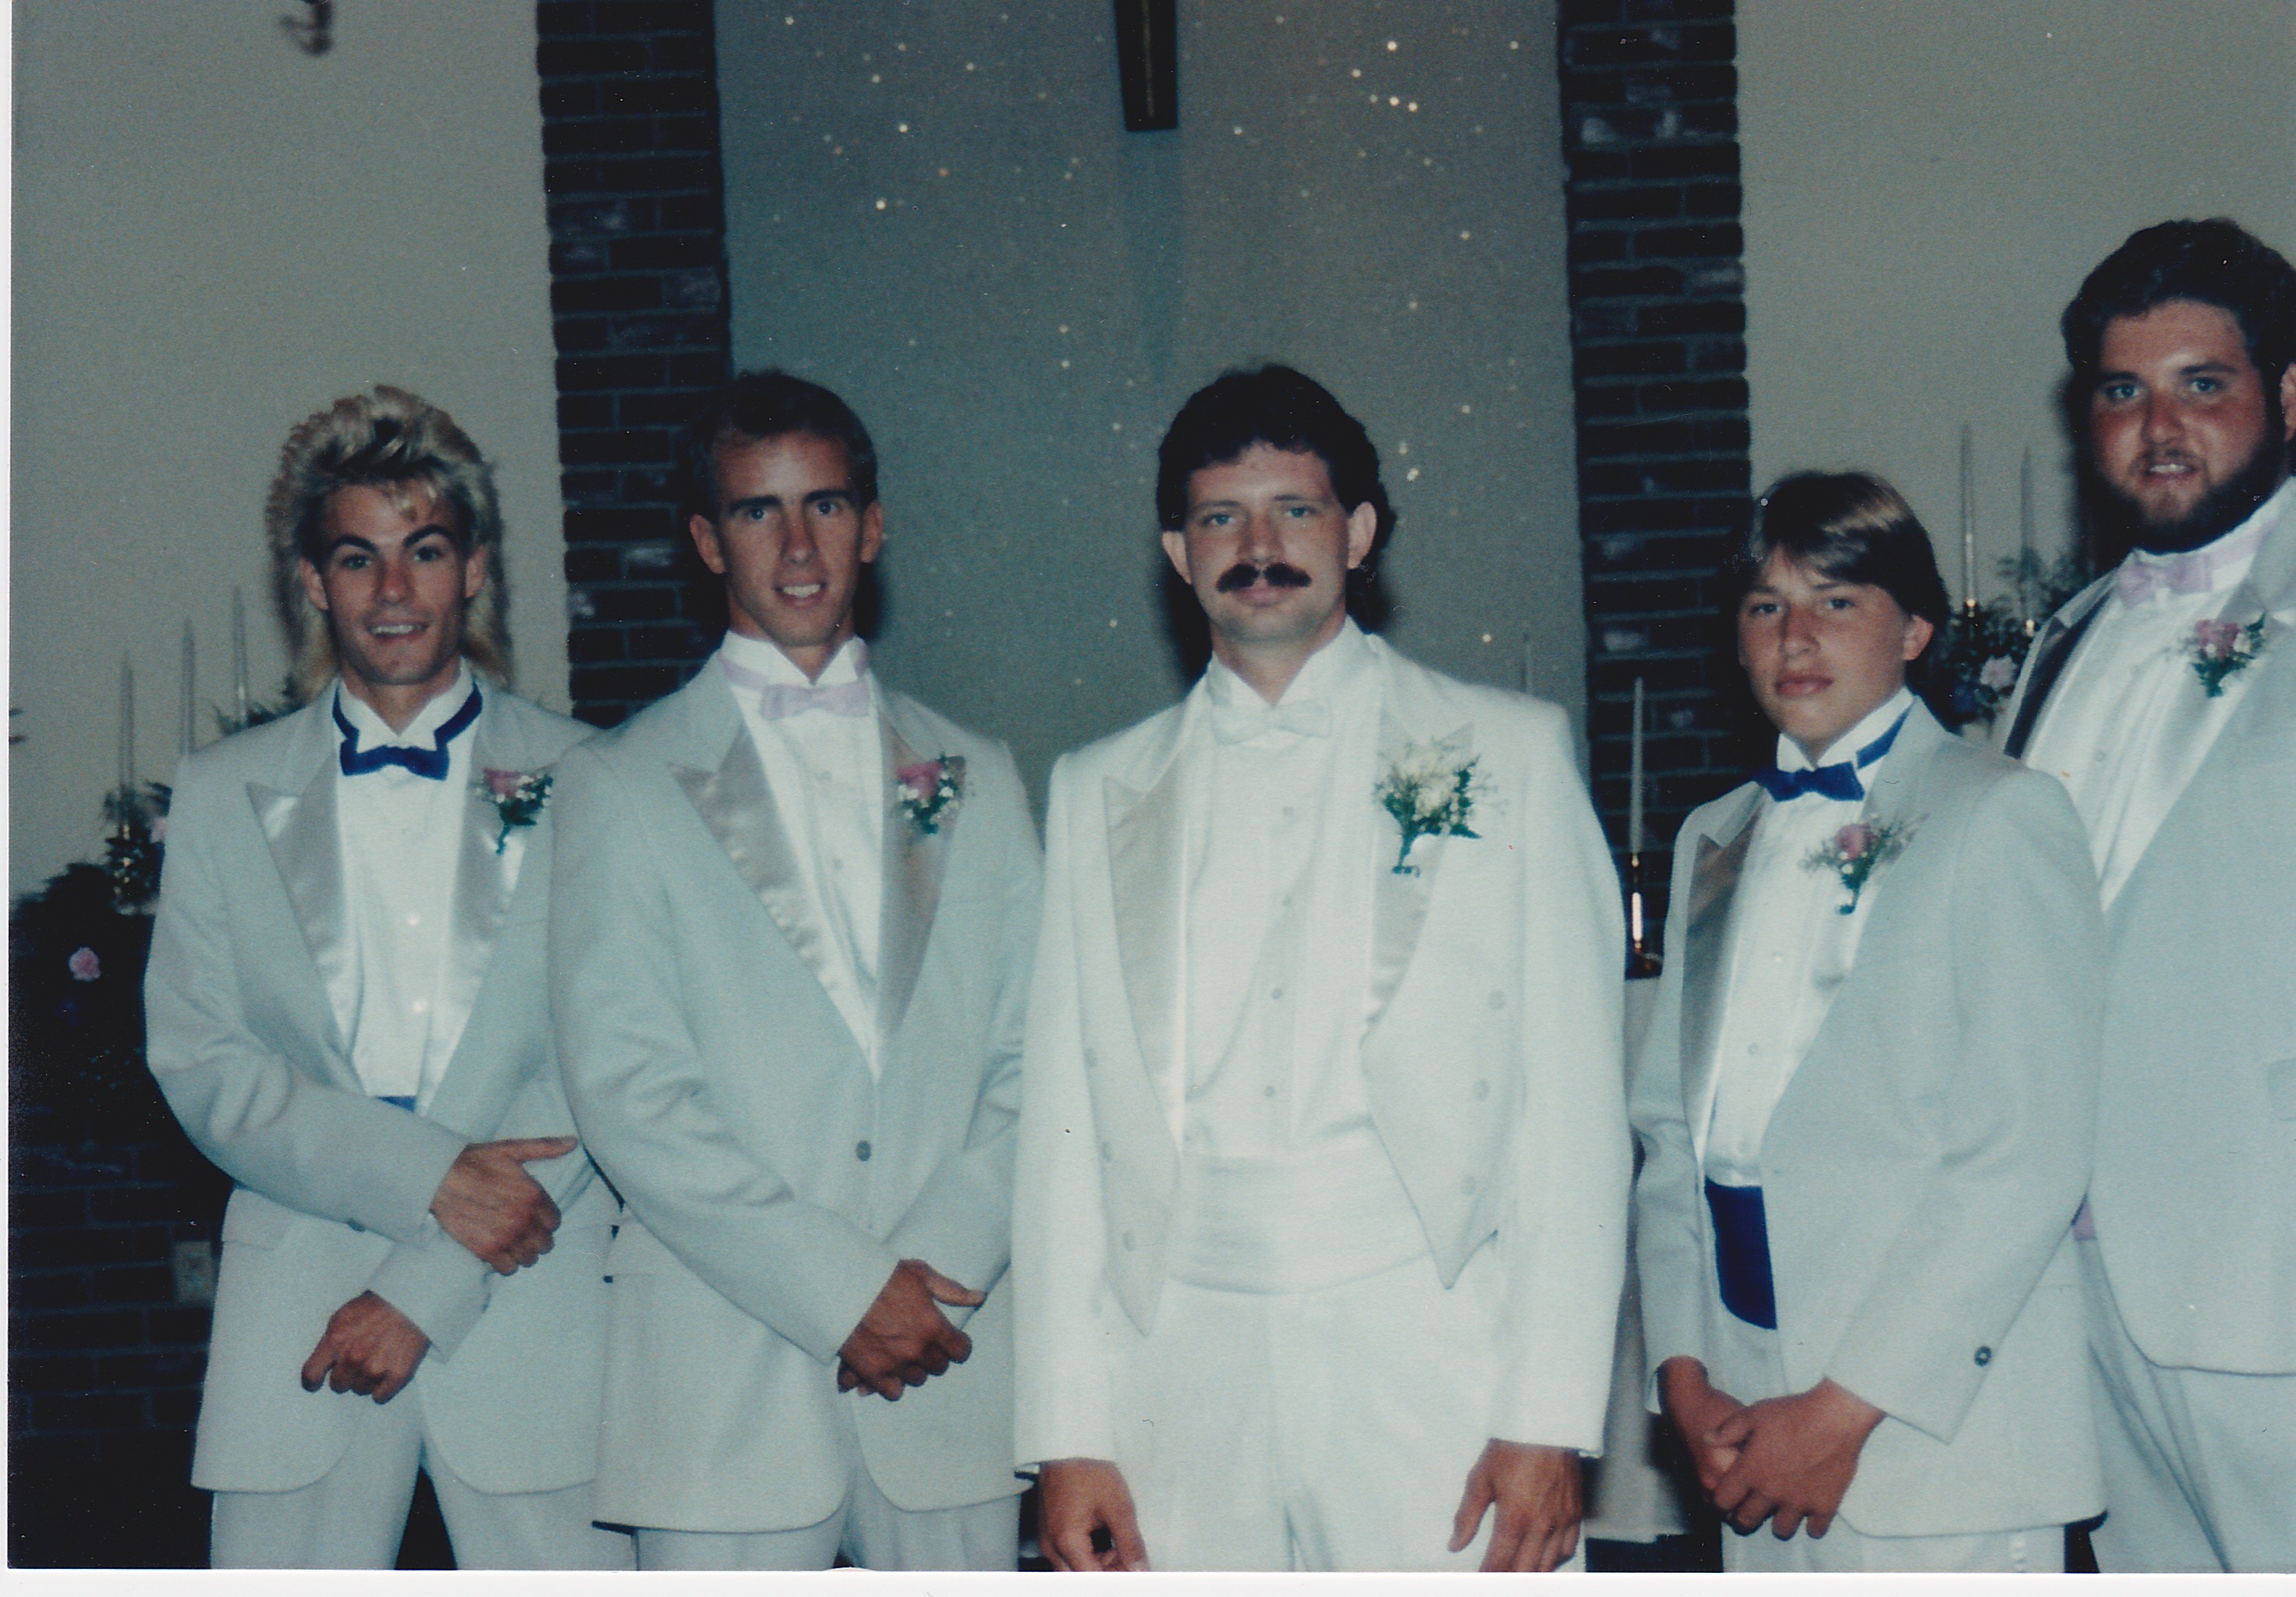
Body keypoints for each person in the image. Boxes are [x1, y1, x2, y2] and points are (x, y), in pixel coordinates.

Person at [1012, 364, 1628, 1572]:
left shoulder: (1508, 753)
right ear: (1178, 554)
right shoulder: (1097, 789)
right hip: (1178, 1363)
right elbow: (1062, 1136)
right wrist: (1068, 1432)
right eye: (1220, 518)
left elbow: (1574, 1115)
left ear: (1359, 533)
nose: (1259, 547)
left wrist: (1550, 1415)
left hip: (1432, 1343)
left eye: (1294, 510)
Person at [548, 371, 1042, 1570]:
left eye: (824, 504)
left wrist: (938, 1269)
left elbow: (1038, 1059)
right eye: (758, 511)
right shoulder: (618, 785)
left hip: (949, 1354)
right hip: (721, 1374)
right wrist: (842, 1291)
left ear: (872, 525)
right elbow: (628, 1091)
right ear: (708, 541)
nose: (799, 545)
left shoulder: (977, 772)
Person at [144, 387, 628, 1568]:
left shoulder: (597, 778)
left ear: (475, 570)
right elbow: (202, 1059)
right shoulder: (220, 792)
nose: (394, 591)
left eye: (427, 551)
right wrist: (427, 1179)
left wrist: (427, 1282)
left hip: (529, 1298)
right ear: (314, 583)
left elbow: (611, 1061)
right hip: (296, 1315)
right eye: (358, 558)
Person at [1632, 472, 2104, 1573]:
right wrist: (1684, 1373)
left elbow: (2024, 1156)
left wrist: (1841, 1413)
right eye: (1765, 606)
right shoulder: (1714, 836)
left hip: (1931, 1425)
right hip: (1744, 1413)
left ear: (1916, 629)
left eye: (1837, 602)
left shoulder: (2000, 812)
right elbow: (1668, 1140)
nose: (1794, 638)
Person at [2001, 218, 2296, 1572]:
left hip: (2263, 1255)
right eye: (2123, 391)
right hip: (2074, 1276)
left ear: (2286, 396)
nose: (2160, 428)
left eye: (2202, 385)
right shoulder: (2066, 642)